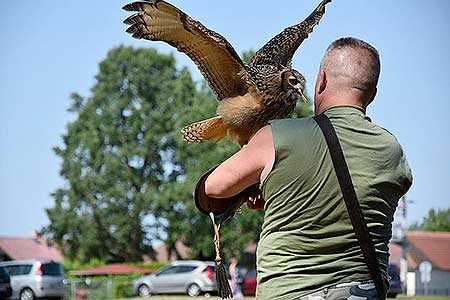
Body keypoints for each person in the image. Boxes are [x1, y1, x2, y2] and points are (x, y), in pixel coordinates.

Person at [204, 37, 412, 300]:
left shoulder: (280, 136)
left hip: (291, 292)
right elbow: (352, 197)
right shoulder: (392, 150)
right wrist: (280, 195)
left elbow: (213, 187)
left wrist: (270, 186)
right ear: (373, 93)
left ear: (321, 80)